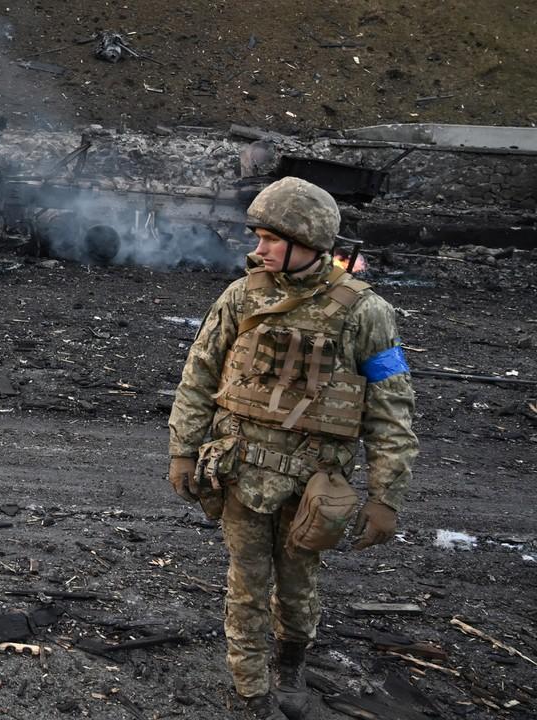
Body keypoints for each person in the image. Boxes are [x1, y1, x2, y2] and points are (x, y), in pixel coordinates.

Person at [167, 177, 418, 719]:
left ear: (308, 242)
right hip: (240, 469)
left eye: (269, 239)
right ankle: (251, 691)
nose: (257, 249)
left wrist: (385, 496)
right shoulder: (242, 296)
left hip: (314, 482)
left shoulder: (366, 312)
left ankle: (290, 664)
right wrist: (183, 449)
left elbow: (391, 408)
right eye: (258, 237)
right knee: (246, 584)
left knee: (300, 584)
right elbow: (199, 373)